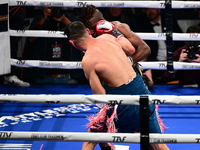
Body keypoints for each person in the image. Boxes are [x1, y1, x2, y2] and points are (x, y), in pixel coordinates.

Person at [64, 21, 169, 150]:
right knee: (157, 143)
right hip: (142, 90)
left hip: (121, 102)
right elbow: (131, 49)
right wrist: (114, 32)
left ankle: (106, 144)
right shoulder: (107, 37)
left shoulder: (88, 61)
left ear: (72, 43)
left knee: (92, 137)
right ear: (88, 31)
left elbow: (100, 97)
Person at [77, 4, 154, 90]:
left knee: (144, 88)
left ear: (101, 22)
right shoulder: (88, 37)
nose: (91, 32)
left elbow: (145, 48)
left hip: (130, 74)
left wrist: (128, 62)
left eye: (93, 28)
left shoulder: (118, 28)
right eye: (88, 29)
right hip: (108, 77)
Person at [22, 6, 78, 84]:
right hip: (43, 77)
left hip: (68, 77)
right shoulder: (41, 18)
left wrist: (64, 19)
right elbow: (31, 38)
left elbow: (80, 35)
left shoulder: (70, 17)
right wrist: (43, 18)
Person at [138, 8, 184, 84]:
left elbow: (180, 41)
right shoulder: (142, 25)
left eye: (153, 8)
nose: (150, 11)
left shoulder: (169, 21)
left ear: (159, 10)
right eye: (147, 9)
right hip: (154, 65)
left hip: (173, 61)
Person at [3, 6, 30, 88]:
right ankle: (9, 76)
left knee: (14, 40)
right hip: (5, 6)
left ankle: (9, 75)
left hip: (16, 7)